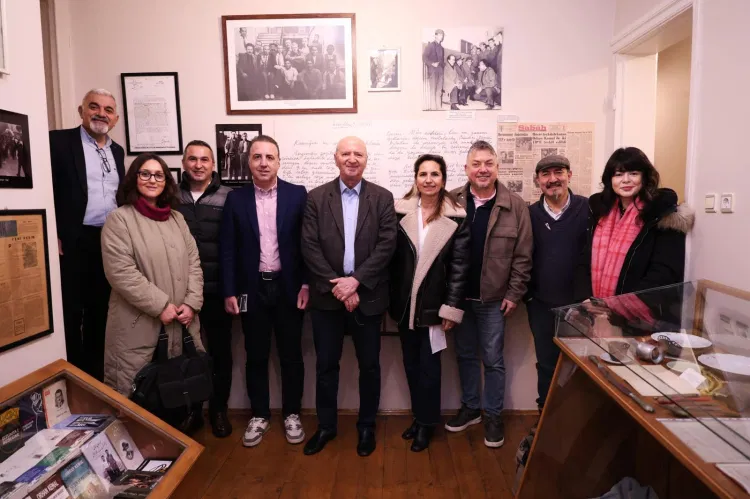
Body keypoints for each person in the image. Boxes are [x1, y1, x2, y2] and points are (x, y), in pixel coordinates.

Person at [301, 136, 397, 457]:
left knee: (369, 367)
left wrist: (355, 282)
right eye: (346, 153)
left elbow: (387, 245)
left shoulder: (382, 198)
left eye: (358, 153)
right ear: (336, 158)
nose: (352, 158)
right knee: (326, 366)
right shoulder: (316, 198)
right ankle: (326, 426)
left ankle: (366, 426)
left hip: (367, 297)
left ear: (366, 160)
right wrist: (339, 287)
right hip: (327, 300)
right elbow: (309, 246)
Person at [101, 153, 205, 431]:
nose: (152, 180)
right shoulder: (119, 220)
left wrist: (192, 302)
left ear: (167, 181)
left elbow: (194, 263)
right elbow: (121, 273)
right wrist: (161, 305)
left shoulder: (177, 219)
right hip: (138, 325)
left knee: (175, 393)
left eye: (159, 175)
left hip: (181, 320)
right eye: (145, 174)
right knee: (136, 399)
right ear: (134, 178)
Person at [220, 135, 309, 448]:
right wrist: (229, 290)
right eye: (257, 157)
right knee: (255, 354)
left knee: (291, 355)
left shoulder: (297, 195)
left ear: (279, 161)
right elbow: (228, 248)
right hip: (251, 288)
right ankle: (259, 414)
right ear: (249, 162)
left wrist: (306, 284)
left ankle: (292, 414)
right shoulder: (236, 199)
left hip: (289, 287)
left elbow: (307, 244)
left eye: (270, 157)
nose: (263, 163)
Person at [446, 140, 532, 448]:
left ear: (497, 167)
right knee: (465, 355)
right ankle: (471, 408)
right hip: (458, 299)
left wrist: (514, 293)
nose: (482, 169)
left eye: (488, 163)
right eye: (476, 164)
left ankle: (493, 415)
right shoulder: (451, 201)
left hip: (494, 300)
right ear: (466, 168)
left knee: (493, 360)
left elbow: (523, 255)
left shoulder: (515, 205)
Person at [388, 154, 470, 452]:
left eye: (435, 174)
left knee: (430, 370)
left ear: (443, 180)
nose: (429, 179)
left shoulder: (457, 217)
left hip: (435, 308)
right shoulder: (399, 212)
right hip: (405, 307)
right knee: (411, 366)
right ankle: (418, 417)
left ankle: (427, 424)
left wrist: (451, 309)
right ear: (416, 178)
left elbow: (460, 268)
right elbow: (392, 261)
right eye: (423, 174)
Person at [49, 88, 125, 381]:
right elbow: (44, 191)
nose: (101, 114)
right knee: (70, 313)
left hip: (107, 242)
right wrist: (52, 232)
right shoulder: (58, 142)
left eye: (108, 110)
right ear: (81, 111)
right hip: (71, 241)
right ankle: (70, 378)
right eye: (94, 107)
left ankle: (94, 381)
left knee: (100, 312)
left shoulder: (117, 151)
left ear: (115, 119)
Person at [574, 147, 694, 305]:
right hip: (597, 308)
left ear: (645, 177)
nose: (626, 180)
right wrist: (586, 299)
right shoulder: (601, 212)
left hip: (639, 312)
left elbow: (664, 272)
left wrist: (624, 307)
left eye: (633, 173)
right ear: (610, 180)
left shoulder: (660, 213)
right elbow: (585, 259)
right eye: (618, 174)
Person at [175, 140, 234, 438]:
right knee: (187, 354)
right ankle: (193, 411)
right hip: (181, 293)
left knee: (220, 353)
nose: (198, 165)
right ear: (184, 163)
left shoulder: (229, 196)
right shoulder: (170, 195)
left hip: (217, 289)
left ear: (213, 165)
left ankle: (219, 410)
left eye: (204, 160)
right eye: (193, 159)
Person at [525, 155, 589, 412]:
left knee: (580, 365)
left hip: (581, 305)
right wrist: (528, 296)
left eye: (559, 172)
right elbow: (521, 256)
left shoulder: (588, 209)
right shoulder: (530, 214)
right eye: (546, 174)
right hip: (541, 305)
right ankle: (546, 419)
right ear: (538, 181)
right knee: (546, 364)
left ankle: (575, 420)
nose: (553, 179)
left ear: (569, 175)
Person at [423, 29, 445, 110]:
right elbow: (424, 57)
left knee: (439, 91)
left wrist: (442, 66)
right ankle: (433, 108)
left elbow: (442, 61)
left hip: (440, 71)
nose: (441, 36)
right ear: (435, 35)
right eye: (440, 34)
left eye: (442, 35)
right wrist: (432, 64)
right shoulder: (430, 46)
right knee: (433, 90)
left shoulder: (442, 48)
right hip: (432, 71)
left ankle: (439, 107)